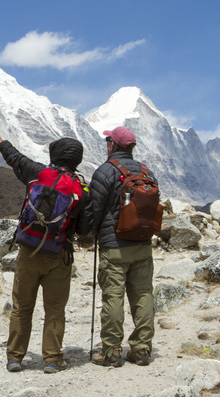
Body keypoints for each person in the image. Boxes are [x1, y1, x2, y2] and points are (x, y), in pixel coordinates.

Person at [0, 132, 92, 374]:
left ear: (55, 154)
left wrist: (1, 143)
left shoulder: (39, 174)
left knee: (22, 307)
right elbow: (85, 230)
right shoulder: (81, 189)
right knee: (54, 309)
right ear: (77, 159)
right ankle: (52, 359)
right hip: (58, 255)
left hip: (29, 251)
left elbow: (16, 159)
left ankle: (14, 358)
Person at [90, 126, 156, 367]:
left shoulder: (105, 172)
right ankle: (141, 348)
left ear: (112, 145)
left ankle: (111, 350)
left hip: (114, 247)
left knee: (113, 297)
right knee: (143, 295)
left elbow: (95, 210)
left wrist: (90, 233)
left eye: (108, 140)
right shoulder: (147, 172)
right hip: (143, 246)